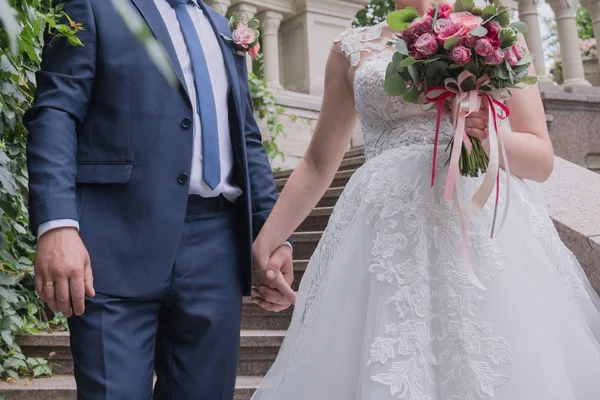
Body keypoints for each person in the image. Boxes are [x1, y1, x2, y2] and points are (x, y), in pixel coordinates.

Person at [250, 0, 600, 398]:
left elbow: (540, 161)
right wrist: (266, 241)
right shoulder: (350, 47)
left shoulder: (496, 34)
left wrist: (486, 134)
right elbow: (316, 162)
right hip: (382, 239)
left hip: (480, 234)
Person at [25, 0, 295, 398]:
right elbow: (55, 111)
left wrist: (274, 236)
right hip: (113, 246)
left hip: (215, 252)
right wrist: (58, 225)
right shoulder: (95, 8)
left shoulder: (222, 27)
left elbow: (246, 138)